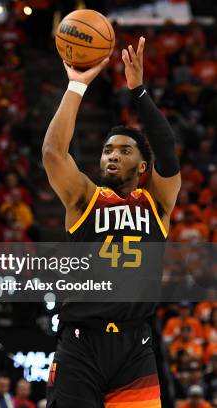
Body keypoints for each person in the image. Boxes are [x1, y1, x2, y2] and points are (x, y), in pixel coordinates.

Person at [42, 37, 181, 407]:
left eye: (124, 150)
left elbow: (167, 150)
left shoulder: (158, 204)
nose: (112, 156)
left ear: (142, 166)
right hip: (81, 341)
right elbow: (54, 153)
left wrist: (138, 91)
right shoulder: (85, 198)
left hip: (135, 345)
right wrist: (76, 84)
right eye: (107, 151)